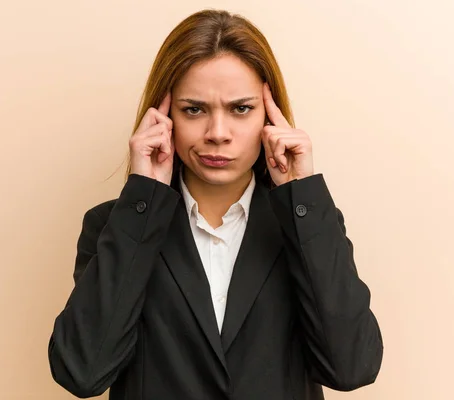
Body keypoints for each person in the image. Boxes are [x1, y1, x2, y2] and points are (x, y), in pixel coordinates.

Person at [48, 9, 383, 400]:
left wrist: (301, 195)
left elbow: (352, 366)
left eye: (241, 109)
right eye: (194, 109)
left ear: (270, 117)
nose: (217, 134)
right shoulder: (115, 225)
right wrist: (143, 198)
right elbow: (81, 373)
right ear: (163, 116)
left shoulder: (305, 223)